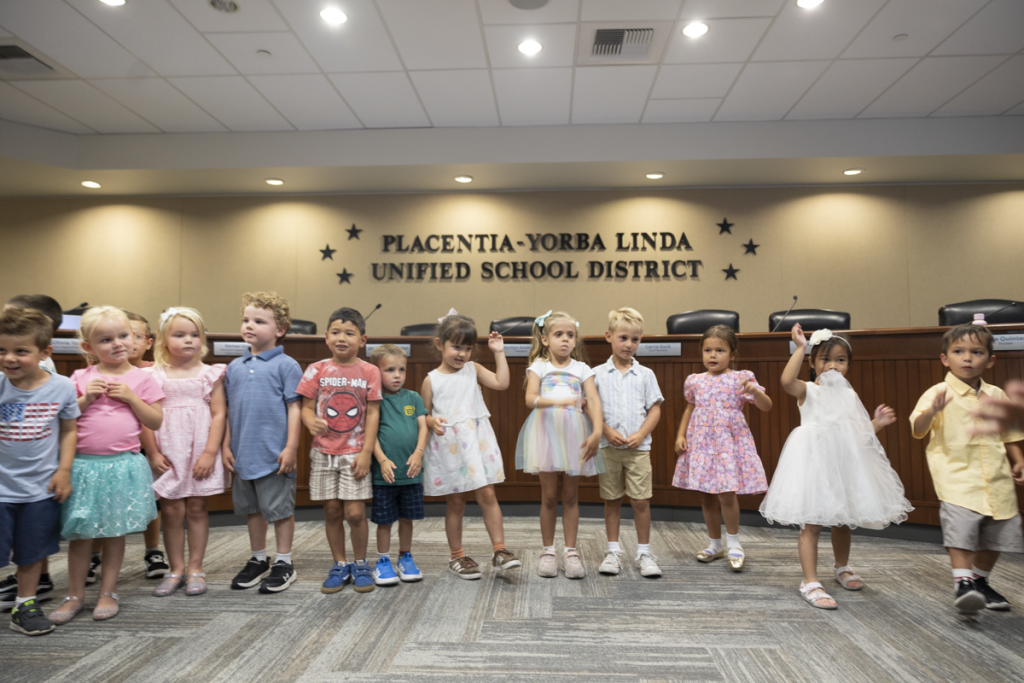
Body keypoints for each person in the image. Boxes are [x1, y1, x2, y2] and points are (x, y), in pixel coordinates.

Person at [760, 325, 911, 610]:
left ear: (848, 365)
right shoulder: (808, 390)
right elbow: (785, 381)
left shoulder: (849, 396)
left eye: (840, 360)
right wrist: (801, 347)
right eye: (825, 359)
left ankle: (842, 566)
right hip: (814, 464)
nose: (832, 365)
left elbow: (858, 434)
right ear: (812, 363)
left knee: (842, 520)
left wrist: (877, 423)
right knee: (813, 523)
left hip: (842, 464)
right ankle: (810, 581)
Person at [50, 307, 164, 624]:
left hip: (122, 467)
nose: (117, 343)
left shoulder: (142, 378)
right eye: (106, 339)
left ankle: (108, 591)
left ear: (135, 337)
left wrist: (131, 398)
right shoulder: (80, 378)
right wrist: (85, 399)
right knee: (80, 534)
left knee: (115, 533)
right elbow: (64, 418)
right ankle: (75, 595)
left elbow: (155, 420)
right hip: (84, 467)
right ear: (88, 347)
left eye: (124, 335)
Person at [910, 324, 1024, 614]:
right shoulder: (938, 393)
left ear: (991, 360)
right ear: (945, 358)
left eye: (977, 352)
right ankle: (963, 584)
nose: (968, 358)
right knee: (961, 532)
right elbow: (918, 428)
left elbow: (1009, 433)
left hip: (996, 479)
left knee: (999, 533)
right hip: (957, 479)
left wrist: (1018, 459)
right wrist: (932, 412)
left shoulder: (997, 394)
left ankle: (980, 580)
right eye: (959, 351)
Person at [422, 309, 521, 579]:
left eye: (467, 348)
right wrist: (431, 421)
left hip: (477, 443)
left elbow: (502, 383)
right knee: (456, 502)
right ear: (439, 344)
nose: (462, 354)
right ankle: (457, 556)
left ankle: (499, 550)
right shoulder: (431, 380)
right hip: (450, 448)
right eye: (456, 347)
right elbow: (423, 415)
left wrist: (499, 352)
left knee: (488, 494)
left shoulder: (473, 369)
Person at [0, 309, 79, 635]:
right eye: (2, 350)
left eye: (21, 351)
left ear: (45, 352)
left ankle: (24, 605)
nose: (9, 358)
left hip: (40, 488)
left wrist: (64, 470)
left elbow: (69, 430)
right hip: (1, 488)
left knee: (31, 552)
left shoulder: (62, 387)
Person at [673, 325, 772, 571]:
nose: (713, 355)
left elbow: (766, 406)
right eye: (708, 350)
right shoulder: (694, 380)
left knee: (727, 493)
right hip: (702, 443)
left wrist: (754, 391)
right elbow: (690, 407)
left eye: (720, 350)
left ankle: (734, 543)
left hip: (728, 443)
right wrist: (680, 434)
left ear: (732, 354)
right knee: (706, 494)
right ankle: (715, 544)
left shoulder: (741, 378)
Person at [143, 307, 227, 598]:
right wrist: (152, 453)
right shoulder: (151, 375)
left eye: (194, 334)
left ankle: (195, 568)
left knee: (197, 509)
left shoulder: (210, 374)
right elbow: (144, 417)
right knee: (171, 510)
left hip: (200, 448)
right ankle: (175, 569)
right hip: (168, 449)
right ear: (164, 340)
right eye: (179, 335)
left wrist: (210, 453)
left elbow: (219, 414)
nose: (188, 340)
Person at [222, 292, 303, 594]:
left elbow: (294, 408)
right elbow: (229, 410)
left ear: (280, 329)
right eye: (246, 320)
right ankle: (258, 558)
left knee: (279, 510)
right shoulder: (234, 367)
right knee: (253, 509)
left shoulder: (287, 365)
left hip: (275, 454)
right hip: (244, 454)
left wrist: (291, 447)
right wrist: (226, 445)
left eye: (259, 321)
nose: (249, 325)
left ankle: (284, 561)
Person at [298, 307, 382, 594]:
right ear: (326, 337)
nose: (341, 338)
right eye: (335, 332)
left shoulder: (369, 371)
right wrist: (310, 421)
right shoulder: (316, 369)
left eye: (349, 333)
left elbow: (373, 412)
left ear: (363, 340)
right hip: (323, 453)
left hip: (355, 453)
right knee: (332, 511)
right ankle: (340, 563)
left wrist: (367, 452)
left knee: (356, 513)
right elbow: (306, 407)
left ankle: (360, 563)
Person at [515, 310, 603, 579]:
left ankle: (571, 552)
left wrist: (598, 431)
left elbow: (593, 400)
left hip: (574, 434)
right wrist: (561, 401)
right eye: (559, 334)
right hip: (545, 433)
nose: (565, 339)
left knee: (571, 496)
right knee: (550, 496)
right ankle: (548, 551)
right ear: (545, 339)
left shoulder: (582, 369)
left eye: (570, 335)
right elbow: (530, 399)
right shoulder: (539, 367)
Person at [594, 307, 664, 578]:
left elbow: (654, 409)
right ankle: (613, 552)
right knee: (611, 500)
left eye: (635, 339)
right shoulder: (596, 374)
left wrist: (641, 434)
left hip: (638, 450)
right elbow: (590, 408)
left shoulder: (646, 374)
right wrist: (606, 430)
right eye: (623, 338)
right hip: (608, 448)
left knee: (641, 501)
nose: (629, 344)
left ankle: (644, 553)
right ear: (608, 336)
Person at [368, 344, 428, 585]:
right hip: (385, 475)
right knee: (384, 521)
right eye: (390, 370)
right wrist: (382, 460)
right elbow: (370, 435)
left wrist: (419, 453)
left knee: (407, 518)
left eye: (401, 369)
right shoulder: (374, 400)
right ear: (376, 371)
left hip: (411, 472)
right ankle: (383, 561)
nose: (397, 375)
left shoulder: (413, 397)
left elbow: (423, 427)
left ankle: (405, 557)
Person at [126, 310, 169, 581]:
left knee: (153, 500)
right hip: (114, 448)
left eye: (136, 336)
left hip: (149, 446)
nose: (129, 341)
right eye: (123, 334)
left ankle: (152, 550)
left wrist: (153, 452)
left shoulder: (153, 373)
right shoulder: (101, 372)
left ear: (149, 342)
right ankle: (94, 555)